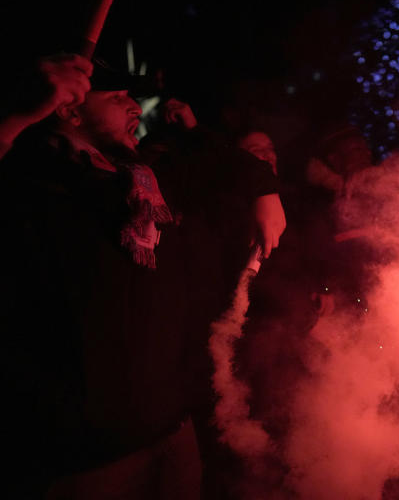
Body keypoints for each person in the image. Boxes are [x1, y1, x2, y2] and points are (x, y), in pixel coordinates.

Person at [0, 55, 284, 497]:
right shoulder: (29, 183)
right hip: (86, 459)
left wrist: (266, 192)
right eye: (117, 98)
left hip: (172, 430)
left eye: (134, 97)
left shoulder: (142, 183)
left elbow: (240, 168)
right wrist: (16, 115)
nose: (135, 107)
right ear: (67, 107)